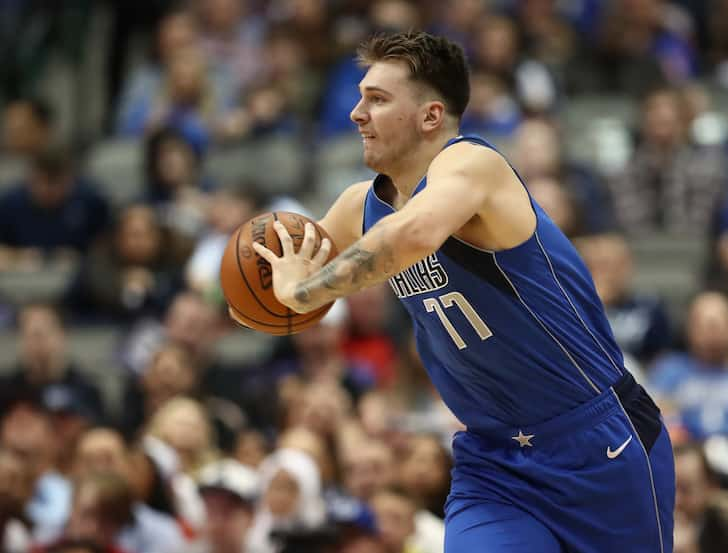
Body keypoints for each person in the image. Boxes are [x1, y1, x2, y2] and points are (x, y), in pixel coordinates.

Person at [236, 30, 674, 552]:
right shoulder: (360, 206)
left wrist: (302, 293)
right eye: (359, 98)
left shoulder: (474, 165)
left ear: (430, 116)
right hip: (494, 463)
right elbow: (274, 274)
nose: (356, 113)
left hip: (599, 443)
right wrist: (251, 295)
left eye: (377, 100)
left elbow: (411, 237)